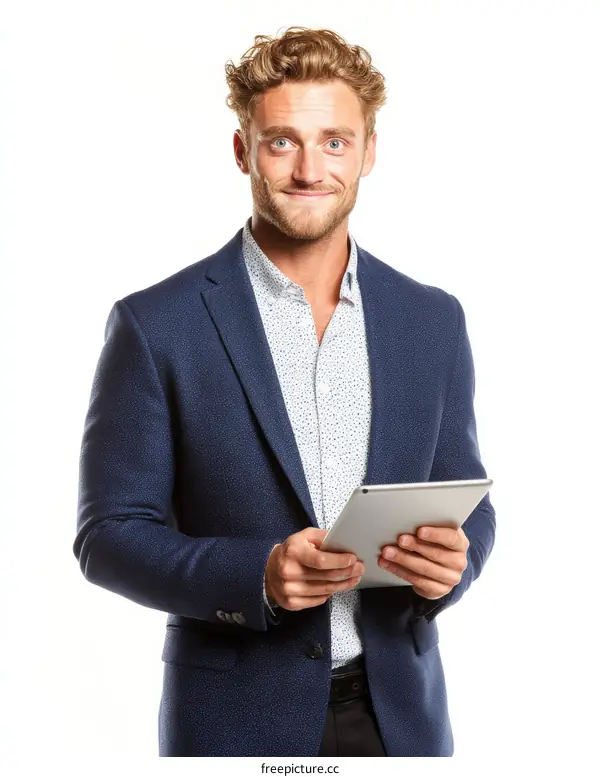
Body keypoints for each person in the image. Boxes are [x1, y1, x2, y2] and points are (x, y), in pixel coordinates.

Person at [74, 26, 496, 758]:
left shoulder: (433, 319)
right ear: (244, 150)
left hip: (401, 719)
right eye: (281, 142)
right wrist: (257, 574)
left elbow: (468, 498)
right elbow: (107, 536)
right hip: (234, 724)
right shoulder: (155, 325)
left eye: (335, 141)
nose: (309, 169)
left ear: (369, 150)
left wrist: (455, 565)